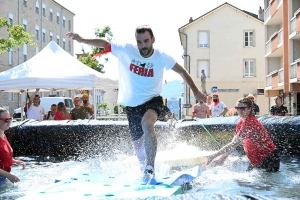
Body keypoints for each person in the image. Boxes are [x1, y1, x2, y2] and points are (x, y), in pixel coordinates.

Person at [66, 25, 206, 184]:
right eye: (140, 42)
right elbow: (105, 44)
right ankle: (146, 172)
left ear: (153, 39)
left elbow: (182, 71)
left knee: (147, 124)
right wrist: (83, 39)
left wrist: (195, 91)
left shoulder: (161, 57)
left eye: (146, 41)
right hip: (132, 107)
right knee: (139, 152)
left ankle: (150, 167)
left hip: (153, 101)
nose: (143, 46)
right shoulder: (127, 50)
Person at [205, 98, 280, 172]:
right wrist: (221, 159)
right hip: (257, 160)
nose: (240, 110)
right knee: (244, 182)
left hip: (269, 158)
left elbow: (233, 143)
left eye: (243, 108)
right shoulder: (241, 123)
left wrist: (213, 156)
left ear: (249, 109)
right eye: (237, 108)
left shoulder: (250, 122)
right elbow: (233, 145)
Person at [0, 107, 26, 186]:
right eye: (6, 120)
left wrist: (14, 161)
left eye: (10, 119)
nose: (9, 122)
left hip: (3, 177)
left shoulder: (3, 135)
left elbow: (2, 158)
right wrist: (9, 176)